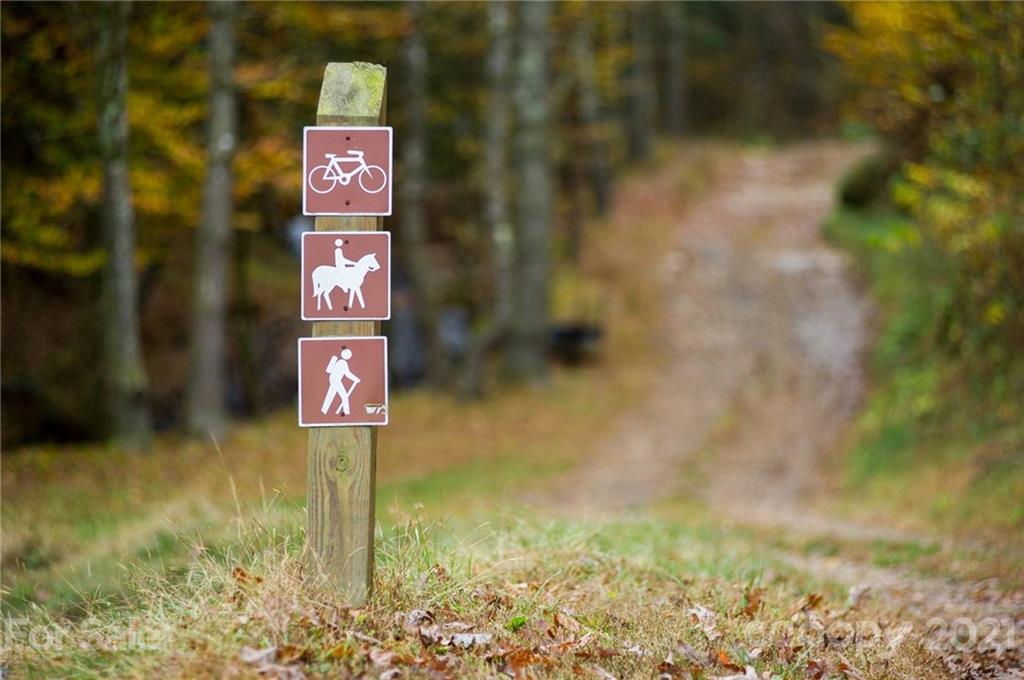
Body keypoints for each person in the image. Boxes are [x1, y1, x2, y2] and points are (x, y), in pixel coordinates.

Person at [320, 347, 361, 416]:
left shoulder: (339, 361)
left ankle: (323, 411)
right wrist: (356, 379)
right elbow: (347, 374)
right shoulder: (343, 363)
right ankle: (346, 412)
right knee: (344, 396)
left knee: (330, 395)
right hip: (336, 380)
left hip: (332, 379)